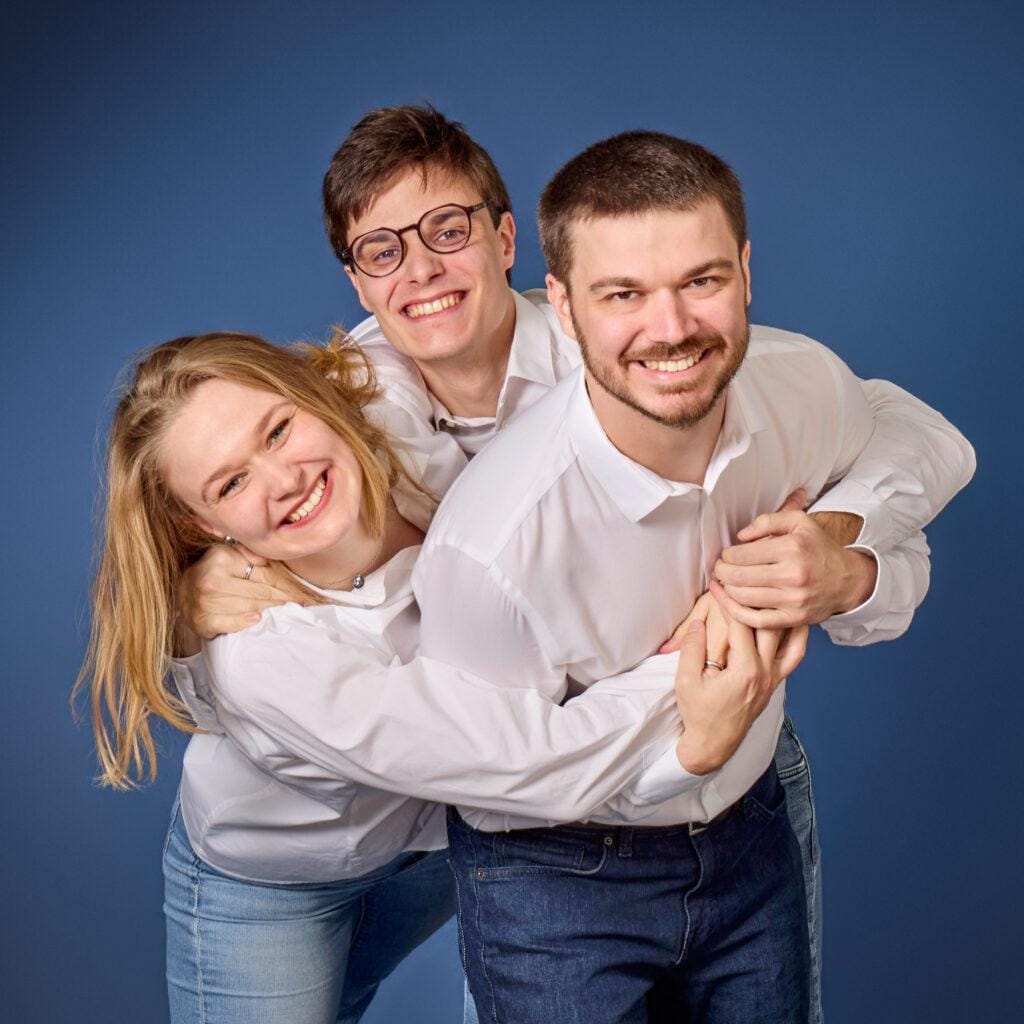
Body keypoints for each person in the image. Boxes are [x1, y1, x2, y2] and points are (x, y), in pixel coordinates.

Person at [179, 106, 975, 1020]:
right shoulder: (326, 425)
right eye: (382, 250)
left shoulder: (625, 336)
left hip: (533, 804)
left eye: (448, 228)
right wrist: (185, 613)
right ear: (356, 281)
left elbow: (886, 423)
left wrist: (841, 543)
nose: (424, 269)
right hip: (306, 841)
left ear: (507, 236)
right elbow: (199, 516)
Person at [409, 129, 976, 1022]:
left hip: (752, 838)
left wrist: (845, 562)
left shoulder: (802, 385)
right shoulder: (487, 552)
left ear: (746, 271)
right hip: (554, 882)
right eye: (623, 294)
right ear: (562, 305)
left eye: (701, 281)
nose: (670, 329)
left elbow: (933, 452)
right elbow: (498, 781)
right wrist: (686, 740)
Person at [79, 330, 803, 1024]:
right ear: (202, 525)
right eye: (232, 482)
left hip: (437, 849)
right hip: (276, 881)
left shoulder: (404, 418)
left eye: (277, 431)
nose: (284, 479)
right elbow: (524, 757)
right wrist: (697, 675)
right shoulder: (264, 653)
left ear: (313, 391)